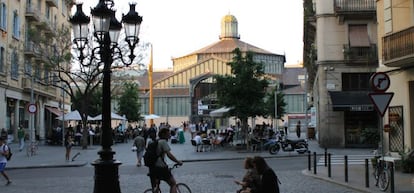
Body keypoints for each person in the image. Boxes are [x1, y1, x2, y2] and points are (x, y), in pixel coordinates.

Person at [148, 128, 183, 193]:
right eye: (168, 133)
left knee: (156, 186)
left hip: (152, 167)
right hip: (160, 167)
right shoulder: (163, 142)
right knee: (173, 183)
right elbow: (169, 155)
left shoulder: (155, 141)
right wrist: (178, 162)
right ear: (163, 134)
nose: (169, 135)